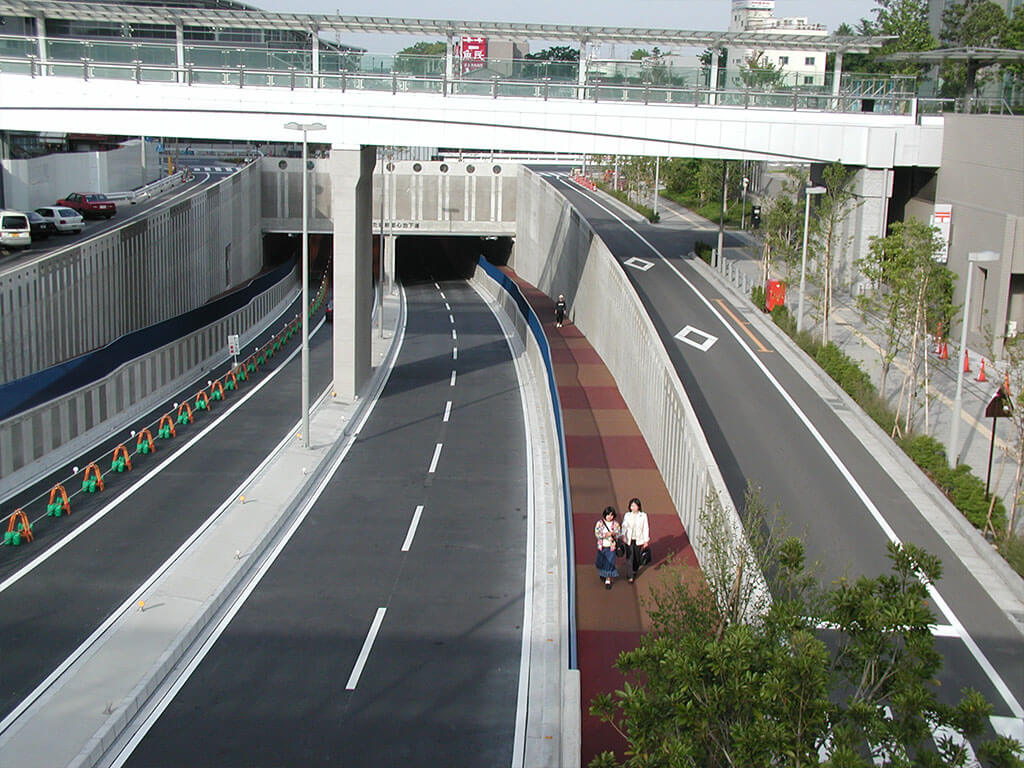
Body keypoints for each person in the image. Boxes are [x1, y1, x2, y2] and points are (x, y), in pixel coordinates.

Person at [620, 497, 650, 583]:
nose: (632, 507)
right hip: (629, 539)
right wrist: (623, 536)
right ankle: (630, 575)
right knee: (629, 557)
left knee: (636, 557)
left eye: (634, 506)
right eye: (631, 506)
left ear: (639, 507)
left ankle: (634, 569)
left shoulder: (643, 516)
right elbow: (624, 526)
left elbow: (645, 528)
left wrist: (646, 540)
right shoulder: (627, 515)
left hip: (638, 539)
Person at [594, 506, 621, 589]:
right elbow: (597, 533)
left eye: (611, 515)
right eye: (608, 515)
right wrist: (605, 535)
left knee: (610, 562)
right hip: (602, 546)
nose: (610, 517)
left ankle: (608, 579)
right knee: (600, 562)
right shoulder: (600, 523)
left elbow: (619, 534)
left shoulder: (616, 524)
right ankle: (603, 573)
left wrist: (613, 534)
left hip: (611, 546)